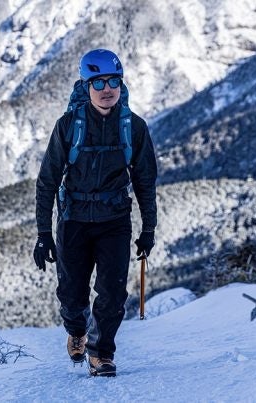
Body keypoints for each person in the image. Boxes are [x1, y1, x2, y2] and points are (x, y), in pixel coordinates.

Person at [33, 49, 157, 377]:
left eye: (113, 81)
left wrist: (149, 229)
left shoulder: (134, 127)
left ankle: (101, 353)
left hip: (114, 220)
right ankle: (77, 330)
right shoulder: (69, 126)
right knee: (72, 295)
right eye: (98, 81)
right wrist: (44, 233)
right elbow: (47, 180)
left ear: (121, 85)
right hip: (73, 219)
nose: (107, 89)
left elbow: (145, 181)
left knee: (113, 292)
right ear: (86, 85)